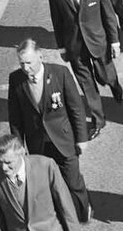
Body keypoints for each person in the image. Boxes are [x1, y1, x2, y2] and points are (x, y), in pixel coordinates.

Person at [7, 40, 92, 217]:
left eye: (29, 63)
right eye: (22, 63)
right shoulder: (16, 80)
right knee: (48, 181)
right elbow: (15, 117)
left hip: (63, 140)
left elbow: (76, 107)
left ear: (40, 56)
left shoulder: (60, 73)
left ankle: (82, 210)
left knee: (72, 180)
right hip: (38, 143)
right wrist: (17, 146)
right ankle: (61, 214)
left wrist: (82, 138)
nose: (26, 68)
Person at [48, 0, 122, 136]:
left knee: (105, 76)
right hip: (74, 47)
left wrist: (114, 41)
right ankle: (98, 120)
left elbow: (108, 15)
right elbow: (57, 23)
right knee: (87, 85)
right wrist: (62, 48)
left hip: (97, 42)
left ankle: (114, 83)